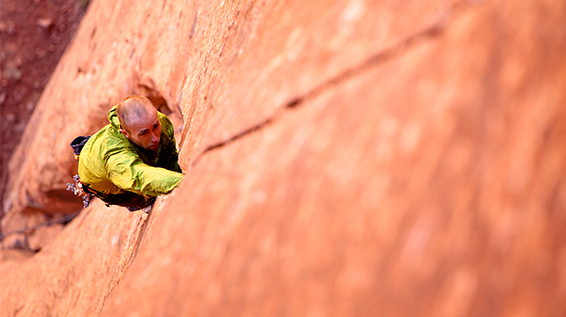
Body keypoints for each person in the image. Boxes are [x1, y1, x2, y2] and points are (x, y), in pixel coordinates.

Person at [73, 95, 183, 212]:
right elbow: (140, 178)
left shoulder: (156, 120)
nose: (154, 138)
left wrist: (175, 173)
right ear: (126, 133)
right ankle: (143, 200)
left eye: (155, 126)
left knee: (160, 152)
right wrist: (183, 181)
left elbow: (169, 154)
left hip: (106, 147)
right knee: (137, 184)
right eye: (144, 133)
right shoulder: (116, 160)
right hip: (100, 174)